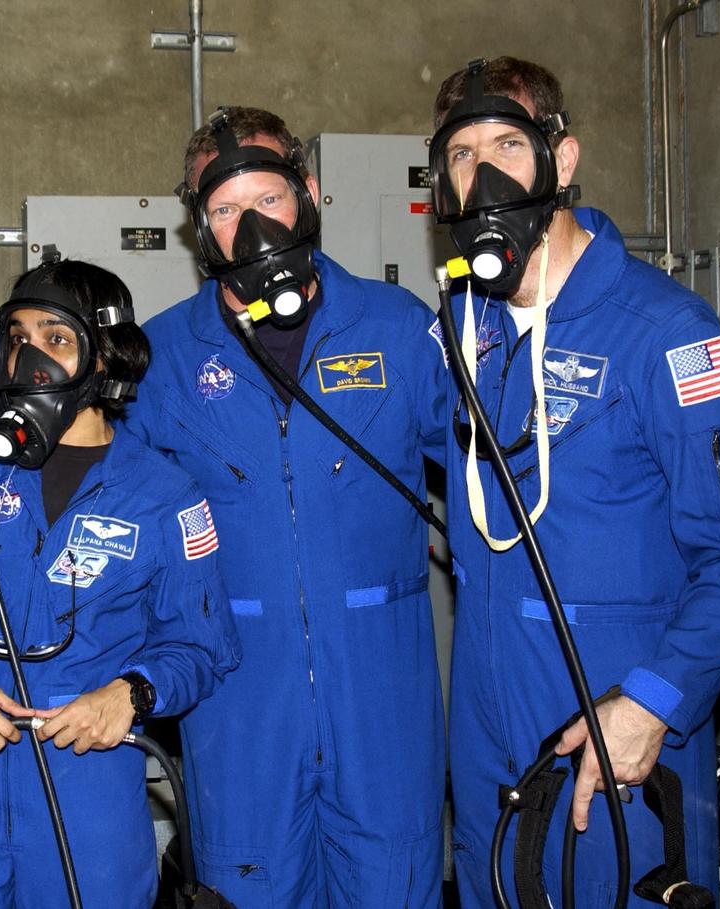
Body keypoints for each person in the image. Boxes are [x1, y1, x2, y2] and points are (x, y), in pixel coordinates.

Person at [430, 57, 720, 906]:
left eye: (509, 145)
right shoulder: (457, 334)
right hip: (487, 719)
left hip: (615, 718)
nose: (483, 175)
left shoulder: (663, 330)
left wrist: (653, 702)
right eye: (460, 154)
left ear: (563, 158)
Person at [135, 107, 449, 907]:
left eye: (267, 199)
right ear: (199, 226)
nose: (250, 228)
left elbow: (492, 480)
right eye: (226, 210)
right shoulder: (164, 355)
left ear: (308, 194)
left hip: (383, 702)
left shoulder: (398, 326)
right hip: (239, 706)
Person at [0, 258, 239, 908]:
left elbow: (201, 645)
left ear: (106, 357)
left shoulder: (163, 494)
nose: (31, 359)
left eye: (56, 339)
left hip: (88, 775)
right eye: (18, 338)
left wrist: (130, 693)